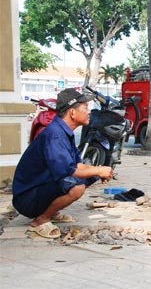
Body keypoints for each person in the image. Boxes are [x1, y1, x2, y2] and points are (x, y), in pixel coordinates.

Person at [12, 88, 114, 239]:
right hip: (26, 198)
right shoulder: (55, 135)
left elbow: (77, 165)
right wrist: (98, 171)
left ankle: (51, 212)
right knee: (76, 187)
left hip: (36, 190)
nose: (89, 112)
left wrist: (99, 171)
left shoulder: (63, 132)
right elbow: (68, 170)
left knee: (89, 176)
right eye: (85, 108)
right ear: (72, 113)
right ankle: (40, 220)